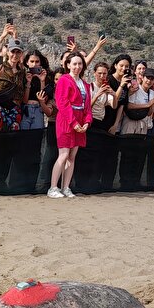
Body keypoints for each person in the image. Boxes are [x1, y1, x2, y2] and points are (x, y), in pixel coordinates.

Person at [47, 52, 93, 198]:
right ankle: (53, 187)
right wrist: (73, 122)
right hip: (66, 121)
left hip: (80, 122)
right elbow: (62, 103)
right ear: (68, 65)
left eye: (80, 64)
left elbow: (87, 106)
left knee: (72, 156)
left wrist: (86, 122)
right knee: (64, 154)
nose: (77, 67)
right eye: (74, 64)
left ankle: (66, 187)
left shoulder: (85, 84)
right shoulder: (64, 80)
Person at [21, 50, 54, 131]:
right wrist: (28, 82)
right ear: (27, 62)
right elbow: (24, 100)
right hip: (25, 110)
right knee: (23, 137)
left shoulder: (46, 76)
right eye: (32, 61)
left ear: (40, 63)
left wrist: (42, 81)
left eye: (37, 62)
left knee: (37, 137)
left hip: (38, 110)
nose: (34, 64)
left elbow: (44, 99)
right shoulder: (22, 75)